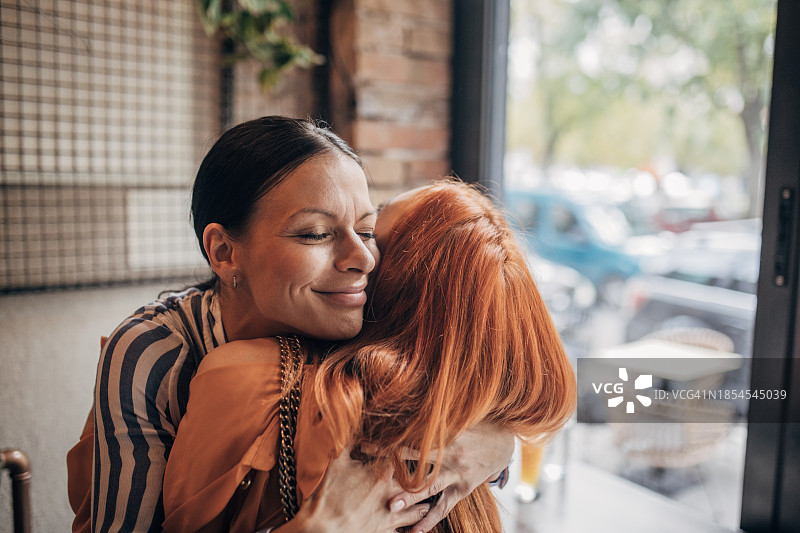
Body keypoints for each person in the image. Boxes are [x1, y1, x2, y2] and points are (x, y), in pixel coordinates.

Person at [67, 117, 514, 533]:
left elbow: (464, 376)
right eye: (316, 234)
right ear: (224, 252)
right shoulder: (151, 353)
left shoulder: (356, 316)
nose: (363, 259)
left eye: (367, 230)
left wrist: (497, 446)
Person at [161, 179, 577, 532]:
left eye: (372, 234)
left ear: (394, 287)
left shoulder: (241, 378)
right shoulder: (472, 441)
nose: (358, 254)